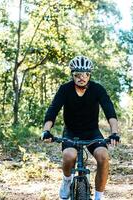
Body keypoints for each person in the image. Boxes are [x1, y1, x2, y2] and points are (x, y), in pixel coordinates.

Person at [40, 55, 120, 200]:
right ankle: (66, 181)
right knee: (69, 155)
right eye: (77, 74)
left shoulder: (97, 89)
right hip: (71, 133)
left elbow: (110, 111)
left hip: (92, 133)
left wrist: (114, 133)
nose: (81, 77)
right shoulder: (65, 89)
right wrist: (46, 130)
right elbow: (53, 110)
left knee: (103, 156)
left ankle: (98, 197)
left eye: (85, 74)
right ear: (73, 75)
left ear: (89, 75)